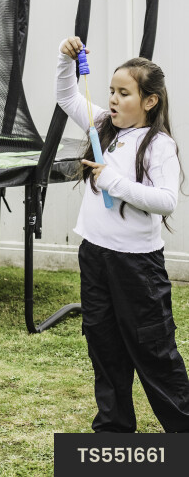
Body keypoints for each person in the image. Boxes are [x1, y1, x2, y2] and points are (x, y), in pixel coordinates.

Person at [57, 37, 189, 433]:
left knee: (154, 352)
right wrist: (66, 61)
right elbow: (67, 97)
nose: (113, 100)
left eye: (124, 93)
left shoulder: (159, 145)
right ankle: (113, 433)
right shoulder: (103, 126)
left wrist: (114, 181)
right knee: (104, 346)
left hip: (137, 268)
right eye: (111, 92)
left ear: (149, 101)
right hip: (94, 256)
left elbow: (166, 201)